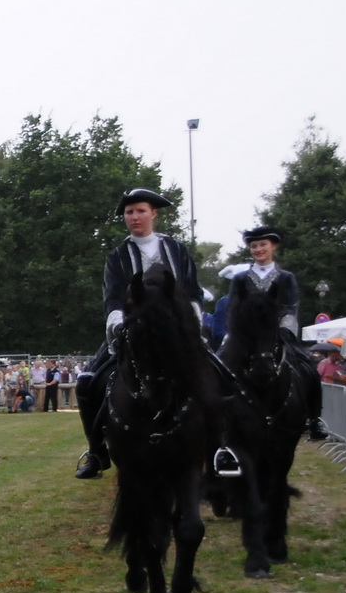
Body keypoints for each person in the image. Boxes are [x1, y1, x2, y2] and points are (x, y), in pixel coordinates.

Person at [75, 188, 233, 478]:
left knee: (222, 377)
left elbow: (193, 292)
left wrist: (191, 323)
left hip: (178, 333)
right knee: (86, 382)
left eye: (140, 211)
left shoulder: (177, 250)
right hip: (134, 332)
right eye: (129, 212)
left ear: (153, 213)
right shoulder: (117, 257)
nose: (134, 217)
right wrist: (119, 324)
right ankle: (97, 451)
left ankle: (220, 449)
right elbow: (112, 298)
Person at [219, 227, 326, 439]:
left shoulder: (286, 277)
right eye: (254, 246)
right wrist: (237, 332)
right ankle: (217, 416)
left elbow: (290, 307)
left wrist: (285, 332)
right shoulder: (240, 278)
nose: (258, 249)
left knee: (309, 368)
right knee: (218, 365)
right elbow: (233, 308)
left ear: (273, 246)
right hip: (245, 336)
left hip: (276, 333)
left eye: (263, 245)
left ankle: (314, 419)